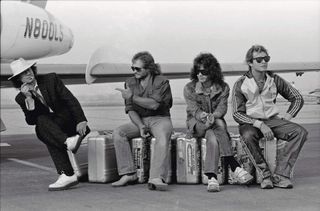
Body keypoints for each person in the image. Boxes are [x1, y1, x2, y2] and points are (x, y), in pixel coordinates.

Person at [232, 45, 308, 189]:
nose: (263, 62)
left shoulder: (274, 79)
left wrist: (286, 117)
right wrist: (259, 124)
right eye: (259, 59)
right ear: (250, 63)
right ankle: (265, 176)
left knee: (300, 132)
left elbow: (297, 98)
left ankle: (281, 175)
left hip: (273, 120)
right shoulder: (241, 83)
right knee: (247, 135)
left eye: (266, 58)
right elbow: (237, 113)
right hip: (251, 122)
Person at [9, 58, 90, 191]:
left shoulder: (50, 79)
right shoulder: (21, 98)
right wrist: (29, 99)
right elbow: (31, 121)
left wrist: (82, 120)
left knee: (45, 131)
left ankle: (66, 173)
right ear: (18, 79)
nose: (29, 74)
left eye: (29, 70)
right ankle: (67, 168)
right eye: (24, 73)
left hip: (71, 123)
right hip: (56, 130)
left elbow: (70, 99)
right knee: (41, 125)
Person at [183, 52, 253, 192]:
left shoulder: (223, 87)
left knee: (213, 138)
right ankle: (234, 165)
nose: (200, 74)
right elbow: (193, 109)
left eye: (204, 71)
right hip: (196, 124)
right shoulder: (189, 88)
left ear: (212, 72)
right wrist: (203, 116)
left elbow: (222, 108)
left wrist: (212, 116)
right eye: (197, 71)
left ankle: (212, 177)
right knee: (219, 124)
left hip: (214, 123)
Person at [113, 51, 173, 191]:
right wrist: (140, 126)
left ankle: (156, 177)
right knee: (118, 132)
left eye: (138, 68)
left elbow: (154, 104)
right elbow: (130, 109)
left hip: (160, 119)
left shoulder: (162, 81)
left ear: (149, 68)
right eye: (132, 68)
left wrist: (132, 96)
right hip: (140, 120)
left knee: (162, 138)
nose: (134, 71)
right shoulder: (130, 82)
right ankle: (128, 173)